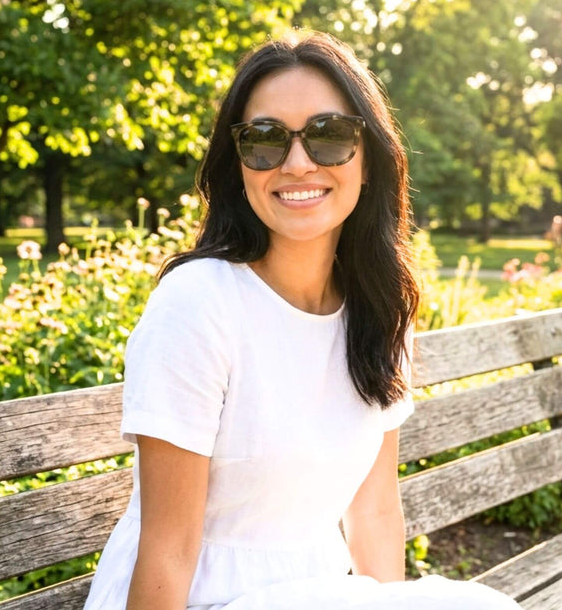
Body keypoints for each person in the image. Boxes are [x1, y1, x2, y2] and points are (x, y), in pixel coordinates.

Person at [83, 30, 521, 610]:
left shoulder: (379, 308)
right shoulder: (197, 305)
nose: (295, 163)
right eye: (263, 140)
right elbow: (169, 547)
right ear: (238, 164)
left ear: (369, 161)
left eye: (329, 135)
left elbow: (374, 510)